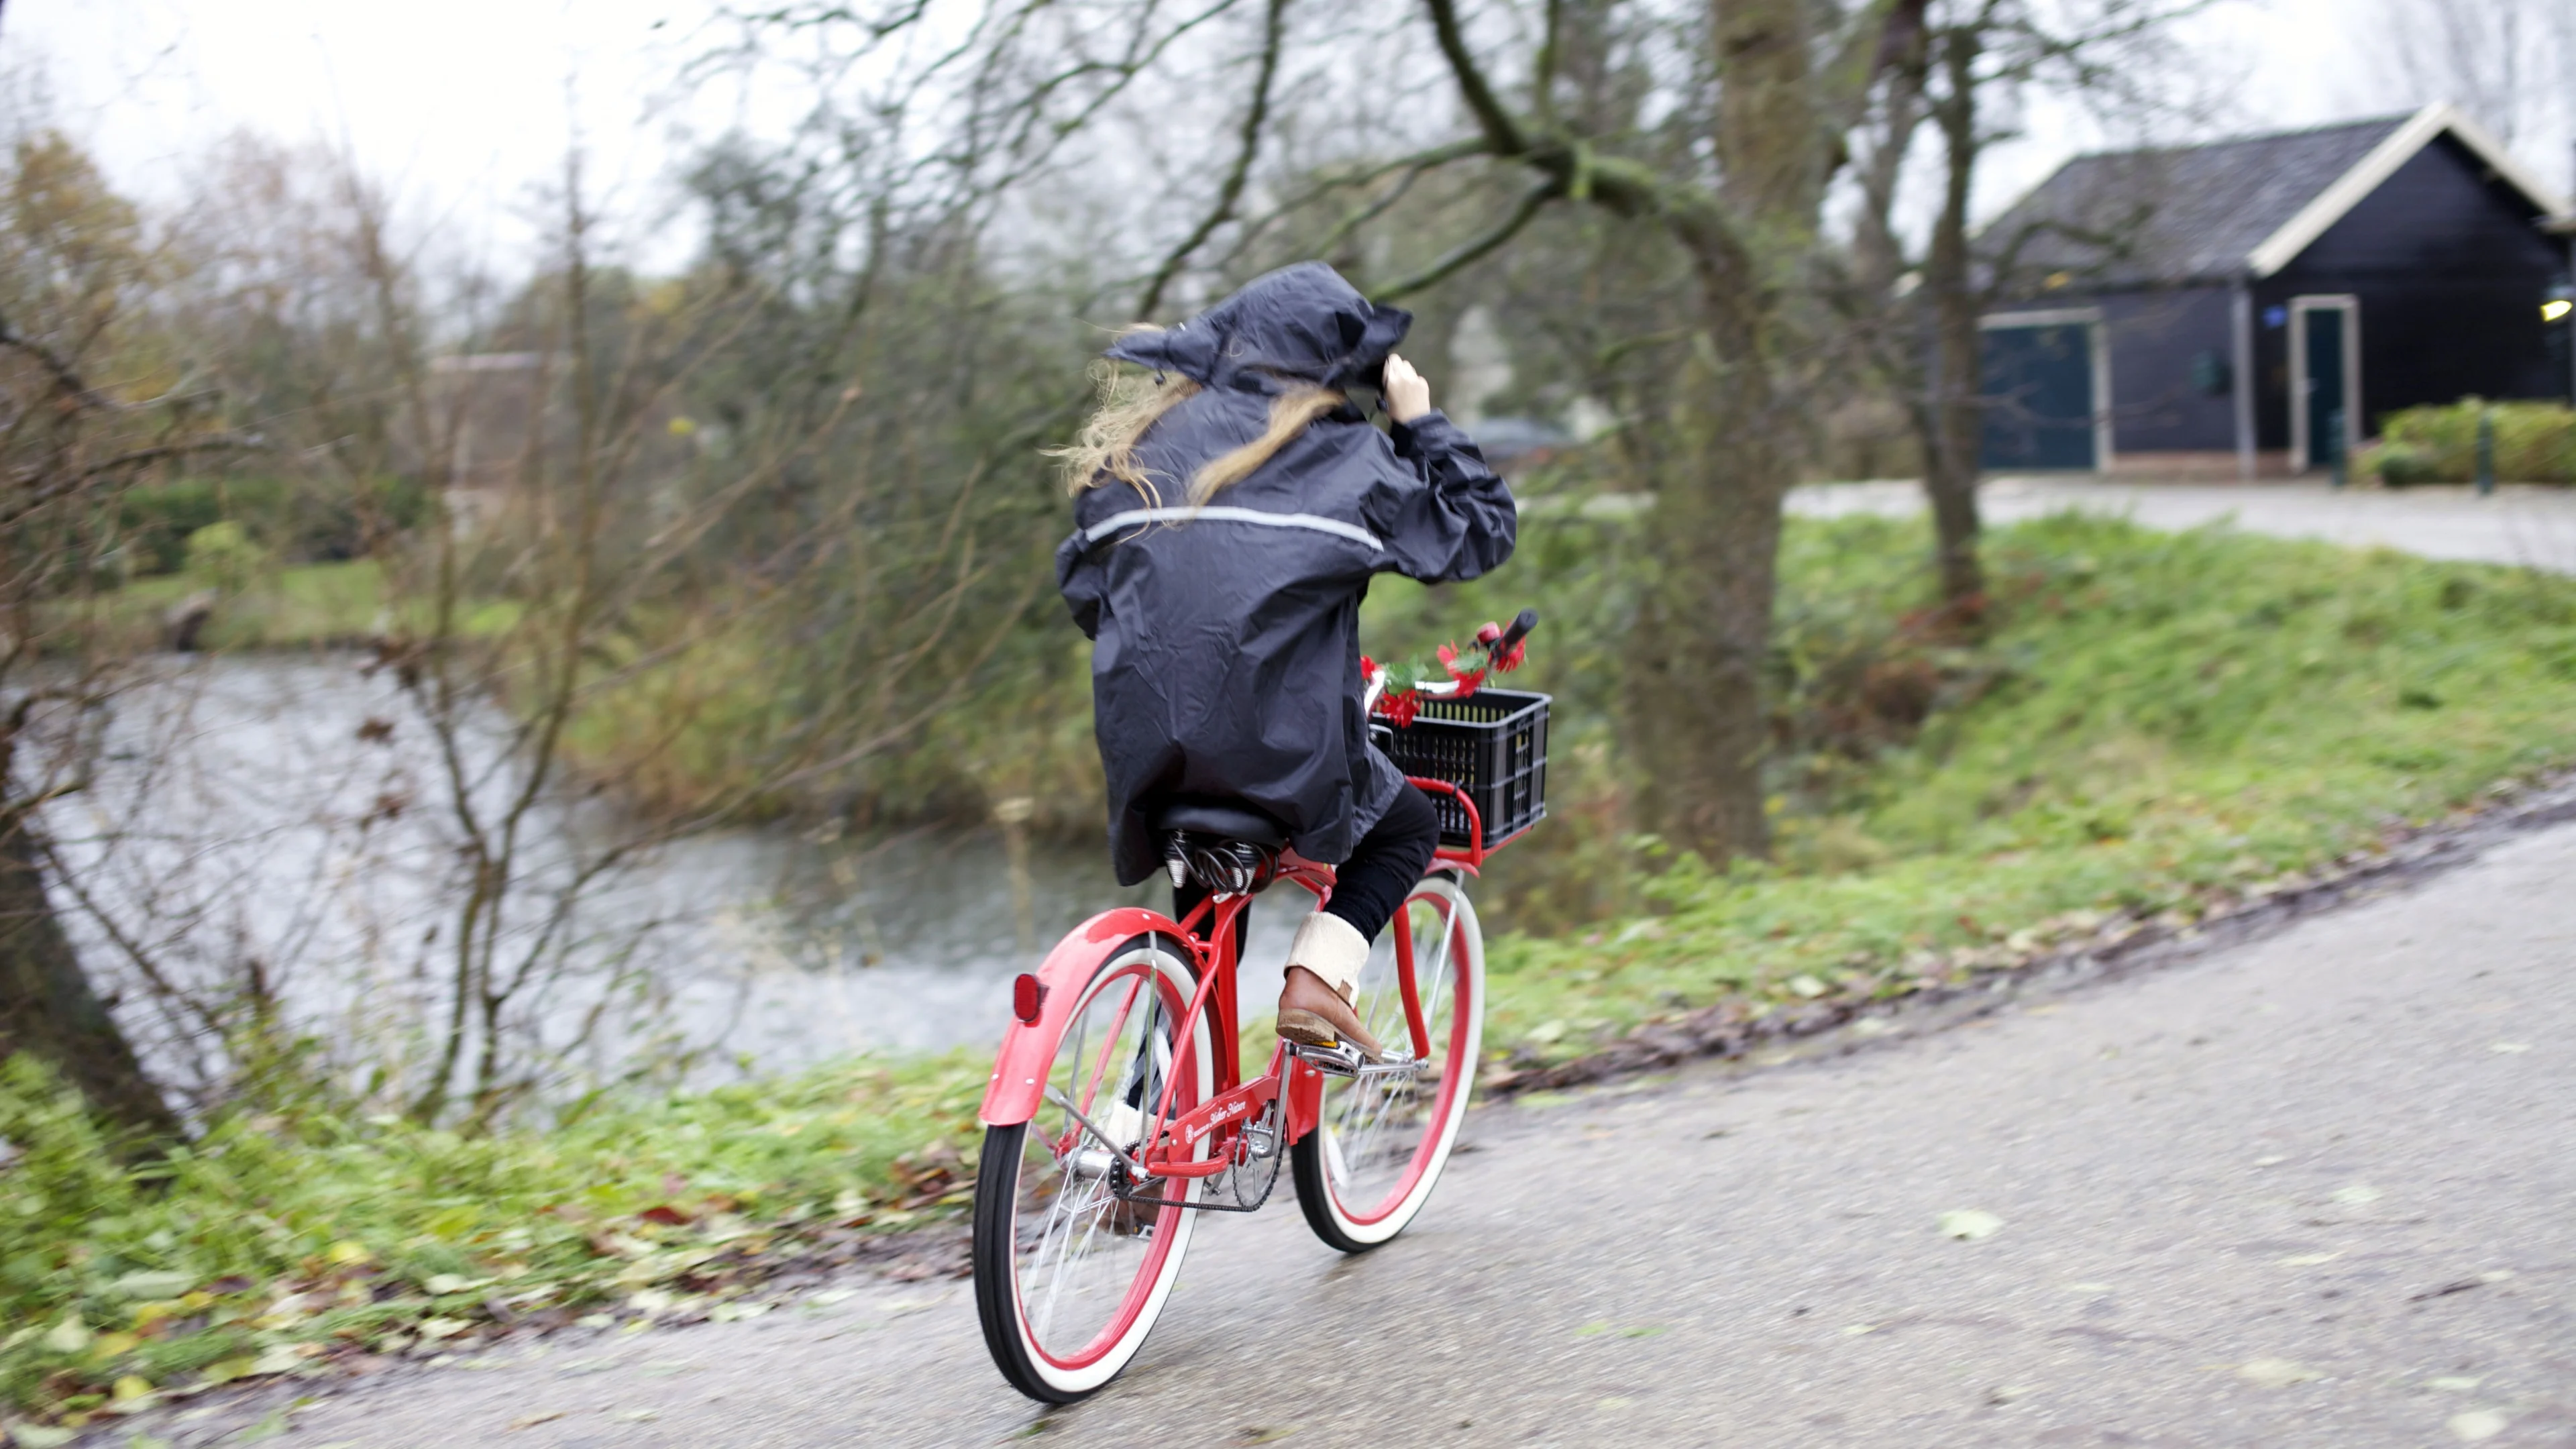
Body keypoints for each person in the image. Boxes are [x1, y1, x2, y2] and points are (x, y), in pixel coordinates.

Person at [1053, 262, 1516, 1057]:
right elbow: (1480, 531)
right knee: (1408, 827)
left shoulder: (1139, 450)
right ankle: (1317, 979)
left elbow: (1091, 596)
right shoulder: (1352, 461)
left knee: (1202, 923)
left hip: (1151, 753)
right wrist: (1417, 422)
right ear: (1342, 375)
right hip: (1281, 756)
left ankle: (1137, 1121)